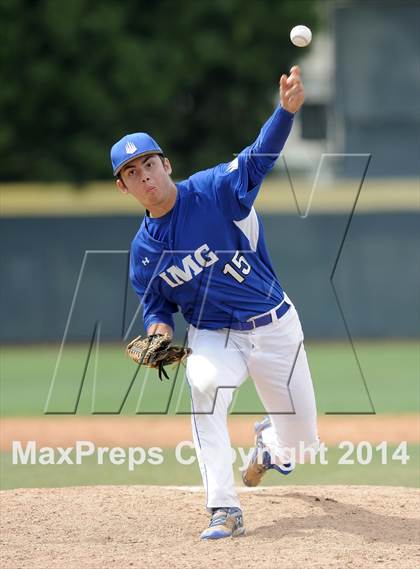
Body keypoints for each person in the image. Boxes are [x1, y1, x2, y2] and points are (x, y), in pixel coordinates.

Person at [110, 65, 319, 540]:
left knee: (302, 446)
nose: (143, 175)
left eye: (148, 163)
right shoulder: (144, 253)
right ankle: (223, 508)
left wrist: (284, 113)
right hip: (216, 335)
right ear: (123, 187)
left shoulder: (211, 191)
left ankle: (271, 444)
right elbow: (157, 306)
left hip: (276, 327)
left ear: (167, 165)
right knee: (202, 385)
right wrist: (159, 333)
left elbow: (257, 158)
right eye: (130, 172)